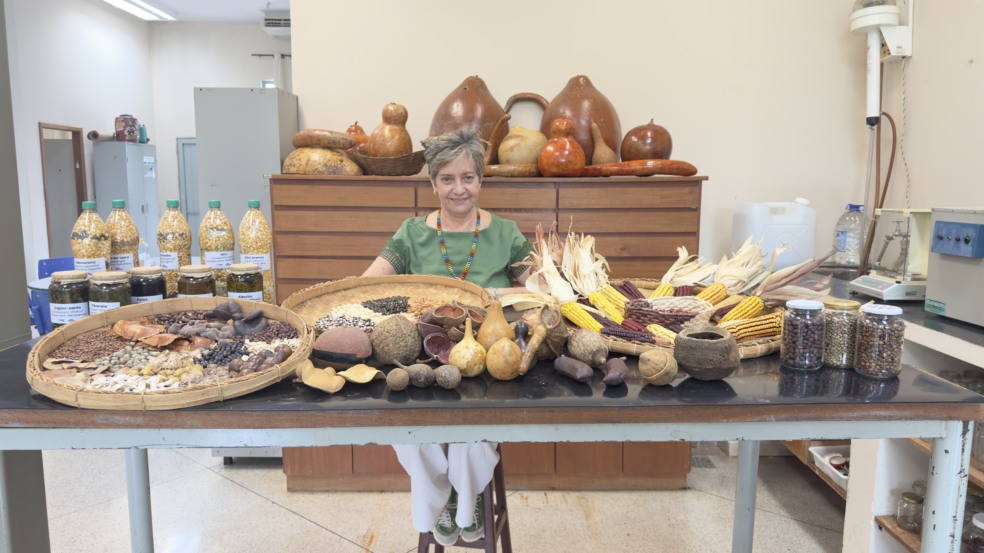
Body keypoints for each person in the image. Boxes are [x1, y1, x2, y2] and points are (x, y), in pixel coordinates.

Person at [362, 127, 533, 545]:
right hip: (424, 362)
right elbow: (369, 286)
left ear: (480, 179)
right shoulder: (410, 234)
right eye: (447, 179)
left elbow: (538, 292)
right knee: (412, 437)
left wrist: (496, 295)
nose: (459, 190)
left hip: (490, 366)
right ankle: (449, 498)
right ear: (433, 182)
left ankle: (465, 495)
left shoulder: (507, 233)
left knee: (472, 435)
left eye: (468, 178)